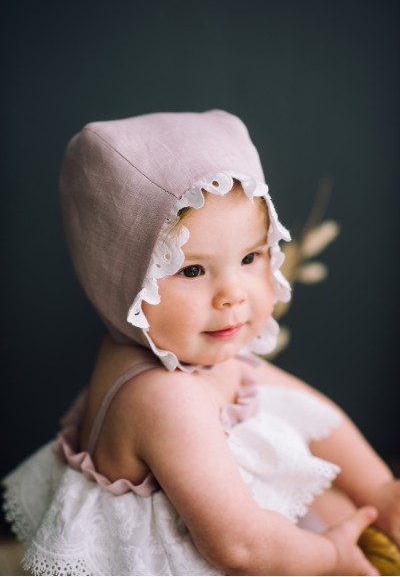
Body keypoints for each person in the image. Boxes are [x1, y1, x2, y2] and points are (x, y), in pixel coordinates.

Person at [3, 110, 399, 576]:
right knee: (333, 534)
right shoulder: (161, 396)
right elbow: (241, 547)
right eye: (192, 270)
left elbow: (311, 411)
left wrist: (378, 488)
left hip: (248, 535)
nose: (232, 294)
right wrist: (330, 558)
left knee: (334, 502)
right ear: (124, 284)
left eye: (251, 256)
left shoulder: (178, 347)